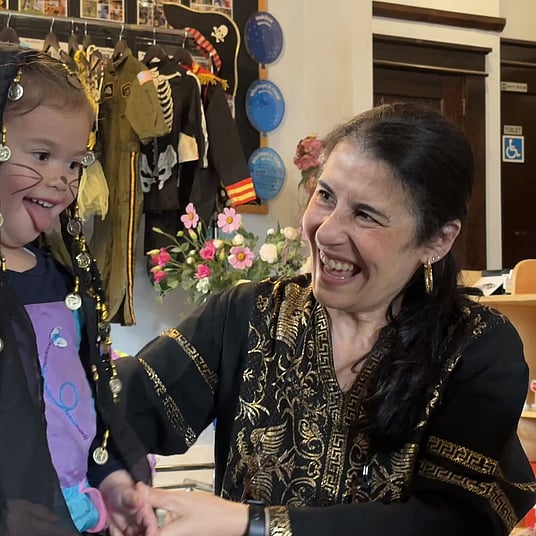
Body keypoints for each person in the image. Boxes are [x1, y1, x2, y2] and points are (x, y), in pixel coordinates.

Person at [117, 102, 536, 535]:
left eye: (366, 215)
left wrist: (252, 524)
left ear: (438, 240)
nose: (326, 231)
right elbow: (116, 412)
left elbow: (452, 523)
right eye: (325, 196)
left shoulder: (475, 348)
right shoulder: (247, 316)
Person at [0, 44, 157, 535]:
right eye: (42, 155)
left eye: (74, 163)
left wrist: (112, 483)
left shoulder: (64, 281)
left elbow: (88, 412)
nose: (61, 180)